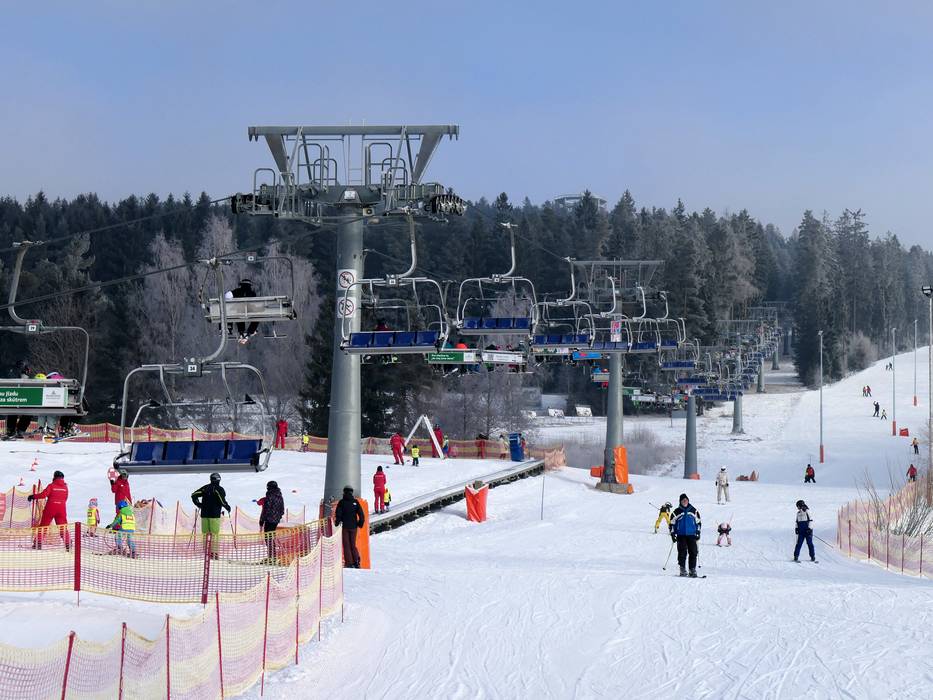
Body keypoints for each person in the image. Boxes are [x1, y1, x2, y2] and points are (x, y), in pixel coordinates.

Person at [28, 470, 70, 550]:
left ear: (54, 477)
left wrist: (33, 496)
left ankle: (38, 544)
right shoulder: (65, 487)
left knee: (43, 526)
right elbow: (65, 498)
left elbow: (43, 495)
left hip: (50, 508)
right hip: (61, 509)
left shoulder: (51, 486)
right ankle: (68, 544)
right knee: (62, 527)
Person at [192, 473, 232, 558]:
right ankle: (214, 553)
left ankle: (206, 552)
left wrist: (199, 504)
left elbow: (194, 495)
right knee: (214, 534)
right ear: (219, 480)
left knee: (205, 534)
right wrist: (227, 507)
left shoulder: (205, 488)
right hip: (214, 515)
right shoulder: (219, 489)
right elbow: (222, 500)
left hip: (204, 515)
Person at [333, 486, 365, 568]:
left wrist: (337, 523)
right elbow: (361, 514)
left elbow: (338, 514)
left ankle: (349, 563)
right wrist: (360, 524)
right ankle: (356, 561)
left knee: (346, 545)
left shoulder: (341, 502)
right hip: (354, 526)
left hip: (345, 527)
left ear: (344, 492)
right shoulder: (355, 502)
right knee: (353, 544)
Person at [670, 493, 701, 577]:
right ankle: (682, 569)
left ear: (688, 500)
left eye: (686, 500)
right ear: (680, 501)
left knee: (693, 551)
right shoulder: (676, 511)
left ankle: (692, 569)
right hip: (681, 535)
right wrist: (672, 534)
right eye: (683, 500)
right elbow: (672, 523)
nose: (685, 501)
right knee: (682, 552)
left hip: (692, 534)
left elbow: (698, 522)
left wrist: (698, 532)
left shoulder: (693, 510)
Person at [257, 480, 284, 561]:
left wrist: (261, 521)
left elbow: (266, 510)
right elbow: (282, 510)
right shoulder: (280, 496)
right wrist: (278, 517)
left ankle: (271, 557)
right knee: (271, 537)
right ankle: (273, 556)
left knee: (268, 538)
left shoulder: (269, 496)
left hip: (269, 520)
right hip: (275, 521)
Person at [232, 278, 259, 343]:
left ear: (241, 285)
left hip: (238, 312)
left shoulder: (236, 291)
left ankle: (241, 331)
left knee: (239, 315)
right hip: (250, 311)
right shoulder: (253, 293)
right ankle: (250, 331)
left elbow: (227, 296)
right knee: (257, 317)